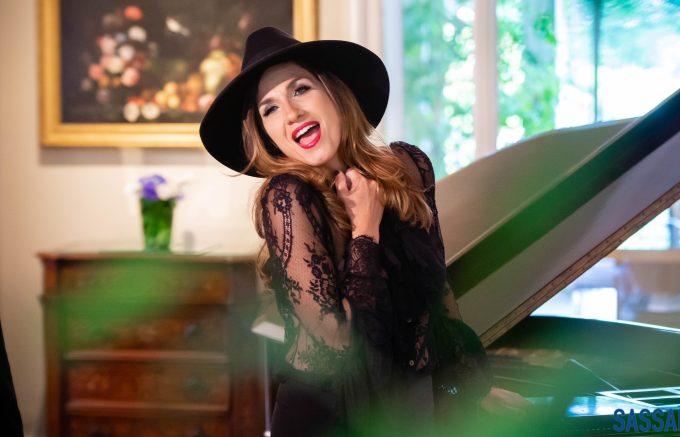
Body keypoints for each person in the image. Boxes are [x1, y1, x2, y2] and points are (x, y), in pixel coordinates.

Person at [199, 27, 528, 436]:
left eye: (300, 89)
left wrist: (471, 391)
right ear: (266, 133)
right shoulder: (288, 197)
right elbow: (340, 345)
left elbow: (437, 294)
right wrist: (365, 230)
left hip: (410, 408)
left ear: (334, 92)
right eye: (270, 109)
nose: (291, 113)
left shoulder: (408, 168)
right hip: (328, 418)